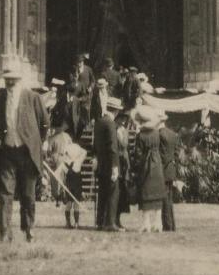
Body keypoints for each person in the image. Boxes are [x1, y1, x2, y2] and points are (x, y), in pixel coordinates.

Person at [0, 67, 47, 243]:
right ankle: (4, 232)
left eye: (13, 80)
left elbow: (44, 123)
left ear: (20, 80)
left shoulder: (33, 98)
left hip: (27, 152)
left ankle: (28, 228)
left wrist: (37, 143)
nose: (9, 83)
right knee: (5, 193)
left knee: (28, 194)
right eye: (7, 80)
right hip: (7, 151)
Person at [131, 107, 168, 233]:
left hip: (145, 166)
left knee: (145, 194)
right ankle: (158, 223)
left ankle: (146, 223)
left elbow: (138, 155)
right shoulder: (157, 134)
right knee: (157, 194)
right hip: (157, 165)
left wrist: (135, 167)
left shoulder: (140, 136)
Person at [44, 123, 88, 228]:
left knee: (74, 203)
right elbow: (56, 174)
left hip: (75, 186)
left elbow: (84, 152)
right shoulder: (71, 163)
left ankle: (75, 223)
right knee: (70, 203)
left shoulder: (75, 163)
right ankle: (69, 223)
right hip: (70, 186)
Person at [94, 95, 126, 231]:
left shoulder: (99, 121)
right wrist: (114, 166)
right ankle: (110, 223)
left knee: (102, 193)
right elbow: (113, 147)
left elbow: (96, 144)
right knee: (113, 192)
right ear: (116, 111)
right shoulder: (111, 123)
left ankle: (100, 222)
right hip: (110, 164)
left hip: (101, 164)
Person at [159, 115, 182, 232]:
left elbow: (160, 155)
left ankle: (167, 225)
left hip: (162, 169)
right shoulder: (173, 134)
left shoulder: (159, 134)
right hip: (171, 170)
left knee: (164, 199)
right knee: (169, 199)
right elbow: (177, 154)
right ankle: (171, 225)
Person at [69, 53, 95, 137]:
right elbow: (71, 82)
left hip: (86, 94)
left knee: (86, 110)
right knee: (76, 112)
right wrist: (75, 78)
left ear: (83, 62)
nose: (79, 64)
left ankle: (86, 129)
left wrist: (91, 87)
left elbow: (93, 81)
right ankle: (76, 130)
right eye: (77, 62)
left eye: (80, 62)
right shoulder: (73, 70)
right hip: (77, 94)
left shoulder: (88, 69)